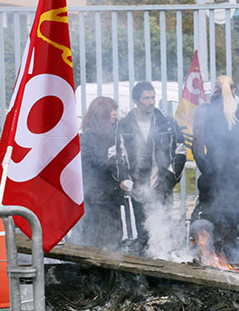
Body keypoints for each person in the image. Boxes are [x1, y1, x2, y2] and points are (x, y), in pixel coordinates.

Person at [115, 82, 186, 251]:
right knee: (144, 234)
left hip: (163, 186)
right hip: (138, 188)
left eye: (153, 97)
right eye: (146, 98)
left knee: (164, 231)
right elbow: (117, 154)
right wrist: (124, 178)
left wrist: (169, 179)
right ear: (136, 101)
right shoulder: (124, 125)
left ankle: (166, 265)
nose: (151, 102)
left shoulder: (167, 123)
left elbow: (181, 151)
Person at [193, 75, 239, 255]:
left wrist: (208, 171)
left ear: (214, 90)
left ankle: (214, 261)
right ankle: (231, 262)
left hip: (213, 178)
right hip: (237, 178)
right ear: (235, 90)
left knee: (210, 225)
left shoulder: (203, 111)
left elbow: (197, 148)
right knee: (233, 228)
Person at [74, 97, 123, 249]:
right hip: (96, 198)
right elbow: (87, 159)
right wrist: (111, 164)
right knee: (96, 239)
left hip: (112, 195)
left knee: (114, 237)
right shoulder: (89, 135)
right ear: (103, 113)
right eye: (112, 110)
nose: (115, 113)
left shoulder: (116, 133)